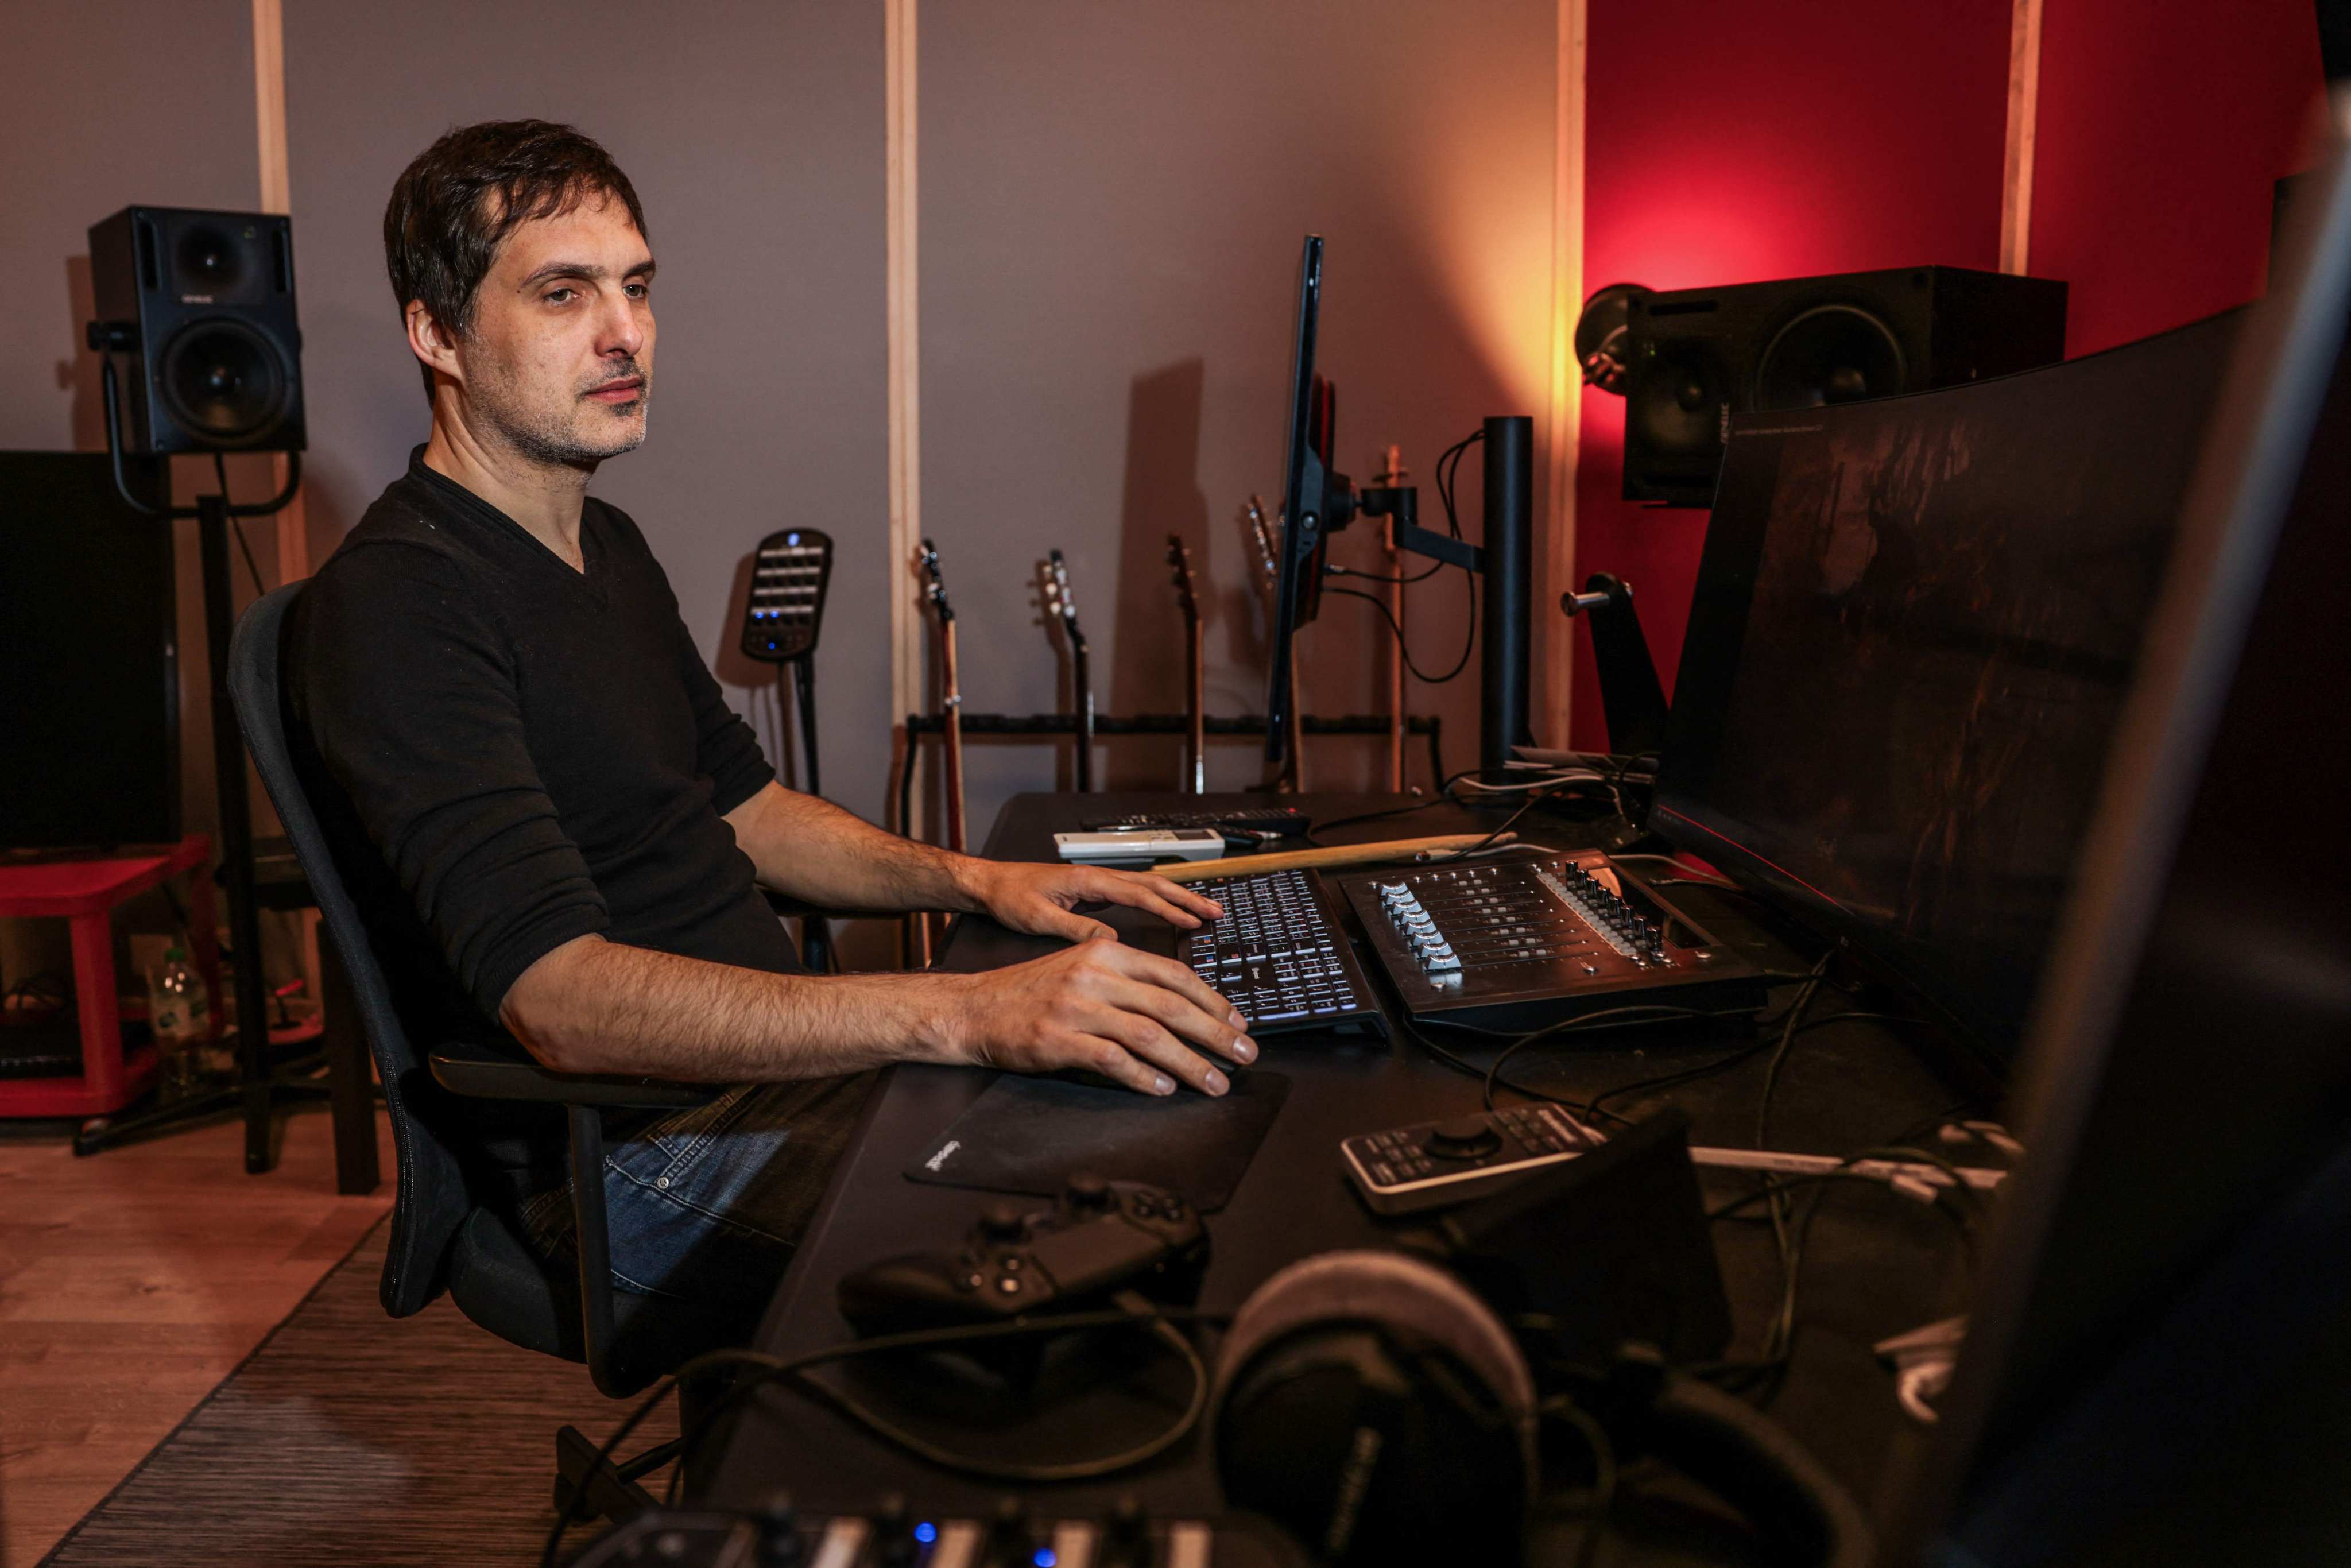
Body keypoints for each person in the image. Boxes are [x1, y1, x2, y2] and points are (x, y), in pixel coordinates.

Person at [293, 119, 1254, 1310]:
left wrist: (975, 883)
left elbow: (741, 804)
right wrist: (963, 1013)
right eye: (562, 293)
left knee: (1175, 1115)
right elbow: (558, 1003)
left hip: (769, 1089)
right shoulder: (397, 606)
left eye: (636, 286)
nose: (624, 332)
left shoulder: (606, 543)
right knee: (1118, 1222)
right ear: (436, 332)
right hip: (635, 1156)